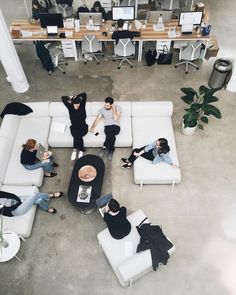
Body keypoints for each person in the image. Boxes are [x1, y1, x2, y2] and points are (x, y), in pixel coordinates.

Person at [61, 92, 88, 160]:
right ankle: (81, 150)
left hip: (83, 127)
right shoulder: (70, 107)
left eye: (78, 105)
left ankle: (74, 150)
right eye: (75, 105)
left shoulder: (82, 105)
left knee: (77, 135)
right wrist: (71, 97)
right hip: (74, 127)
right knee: (77, 135)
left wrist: (77, 96)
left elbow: (84, 94)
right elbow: (63, 98)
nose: (76, 106)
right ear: (72, 104)